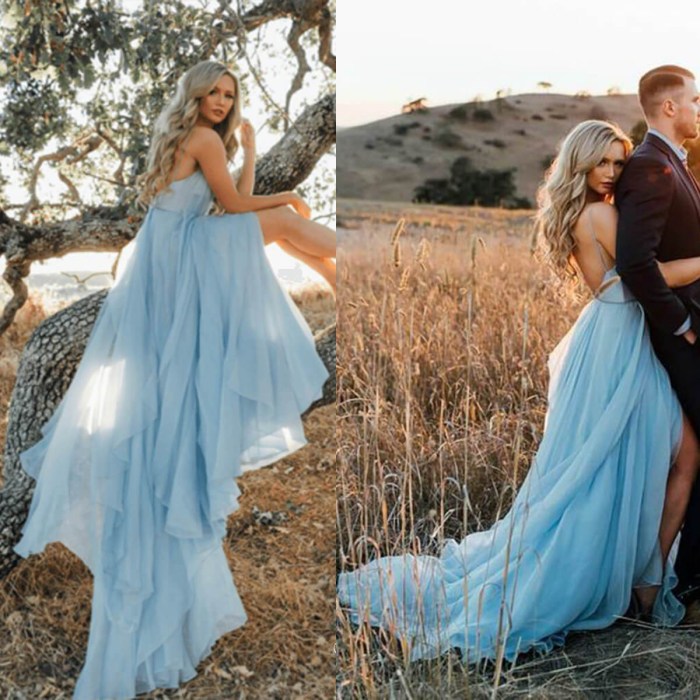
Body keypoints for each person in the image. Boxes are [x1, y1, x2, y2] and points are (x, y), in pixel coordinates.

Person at [12, 60, 333, 699]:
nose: (221, 101)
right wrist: (271, 175)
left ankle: (340, 276)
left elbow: (224, 204)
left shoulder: (190, 136)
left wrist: (248, 158)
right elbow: (237, 205)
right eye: (213, 92)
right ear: (195, 95)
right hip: (185, 258)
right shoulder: (206, 137)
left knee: (290, 234)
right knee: (291, 221)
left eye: (229, 95)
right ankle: (357, 276)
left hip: (172, 257)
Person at [337, 120, 700, 665]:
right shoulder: (602, 213)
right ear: (581, 164)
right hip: (618, 344)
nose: (613, 173)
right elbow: (645, 273)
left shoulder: (580, 211)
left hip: (608, 336)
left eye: (619, 163)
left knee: (620, 461)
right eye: (604, 162)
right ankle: (646, 585)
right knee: (668, 458)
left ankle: (643, 578)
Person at [615, 65, 700, 604]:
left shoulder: (670, 163)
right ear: (669, 107)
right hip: (680, 338)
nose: (698, 108)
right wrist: (682, 324)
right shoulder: (651, 165)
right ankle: (684, 581)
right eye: (694, 99)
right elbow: (635, 264)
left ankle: (674, 573)